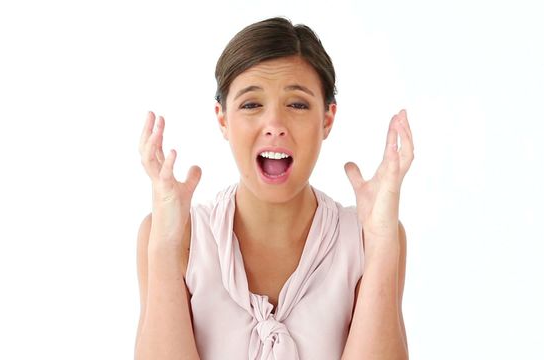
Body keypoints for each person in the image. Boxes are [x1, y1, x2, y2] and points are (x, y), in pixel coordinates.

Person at [135, 17, 413, 360]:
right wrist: (163, 247)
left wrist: (382, 243)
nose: (275, 126)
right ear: (223, 119)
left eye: (297, 104)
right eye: (252, 105)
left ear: (327, 119)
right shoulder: (174, 236)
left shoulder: (366, 238)